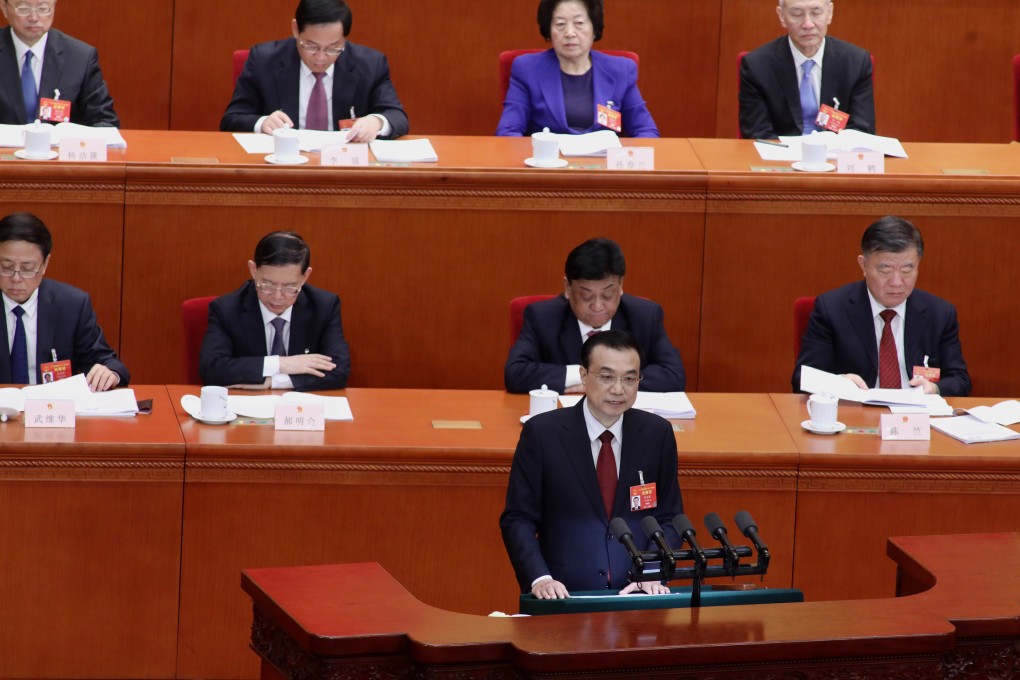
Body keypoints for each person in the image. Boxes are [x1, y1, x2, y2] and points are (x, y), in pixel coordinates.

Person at [500, 330, 683, 597]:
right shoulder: (543, 434)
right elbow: (518, 518)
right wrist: (540, 578)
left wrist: (654, 571)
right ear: (584, 376)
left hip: (638, 594)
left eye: (630, 378)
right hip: (563, 594)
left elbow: (669, 517)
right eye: (607, 377)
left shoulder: (657, 433)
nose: (618, 389)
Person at [793, 216, 971, 396]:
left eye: (907, 269)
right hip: (855, 417)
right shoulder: (831, 309)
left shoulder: (939, 314)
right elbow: (801, 379)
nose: (896, 282)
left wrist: (934, 388)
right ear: (863, 265)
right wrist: (839, 383)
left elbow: (960, 381)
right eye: (885, 270)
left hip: (916, 417)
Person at [504, 237, 684, 394]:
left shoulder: (645, 316)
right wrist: (586, 376)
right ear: (567, 287)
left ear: (620, 285)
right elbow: (515, 373)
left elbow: (673, 375)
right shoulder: (543, 317)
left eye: (607, 295)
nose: (598, 306)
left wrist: (606, 380)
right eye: (586, 295)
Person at [220, 0, 408, 142]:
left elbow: (397, 116)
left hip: (344, 169)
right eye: (310, 46)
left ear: (344, 39)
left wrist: (376, 122)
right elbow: (231, 120)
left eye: (333, 48)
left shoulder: (370, 64)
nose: (321, 57)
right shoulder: (263, 60)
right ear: (295, 29)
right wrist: (263, 123)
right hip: (283, 170)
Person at [200, 231, 350, 391]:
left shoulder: (324, 306)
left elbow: (339, 370)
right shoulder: (226, 309)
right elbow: (212, 369)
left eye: (289, 286)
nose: (277, 296)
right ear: (253, 270)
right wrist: (282, 363)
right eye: (267, 285)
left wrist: (274, 381)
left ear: (305, 276)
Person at [0, 212, 127, 390]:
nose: (16, 278)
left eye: (27, 269)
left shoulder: (72, 306)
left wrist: (110, 373)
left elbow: (106, 361)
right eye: (6, 267)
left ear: (45, 265)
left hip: (51, 410)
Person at [496, 0, 658, 138]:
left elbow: (645, 130)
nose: (569, 32)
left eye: (579, 23)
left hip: (604, 169)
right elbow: (509, 130)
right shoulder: (527, 69)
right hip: (548, 167)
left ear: (594, 29)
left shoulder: (621, 70)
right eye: (560, 24)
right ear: (549, 30)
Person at [739, 0, 873, 139]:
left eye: (816, 13)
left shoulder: (855, 63)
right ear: (782, 16)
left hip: (834, 156)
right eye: (797, 14)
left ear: (830, 13)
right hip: (780, 156)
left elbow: (861, 129)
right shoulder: (758, 65)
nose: (808, 24)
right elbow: (757, 133)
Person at [0, 0, 119, 126]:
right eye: (23, 8)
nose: (34, 18)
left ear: (54, 6)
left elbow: (105, 121)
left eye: (43, 8)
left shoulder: (80, 57)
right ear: (4, 7)